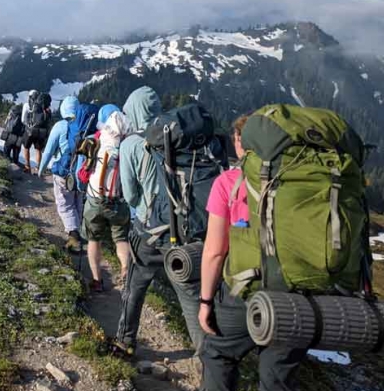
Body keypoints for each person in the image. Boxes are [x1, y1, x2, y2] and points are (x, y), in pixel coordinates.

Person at [198, 115, 306, 391]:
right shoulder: (300, 184)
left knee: (218, 355)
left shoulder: (228, 182)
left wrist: (206, 302)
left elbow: (214, 251)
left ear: (238, 142)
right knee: (277, 379)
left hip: (242, 294)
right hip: (295, 298)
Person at [114, 86, 205, 355]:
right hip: (185, 229)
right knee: (190, 297)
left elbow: (129, 196)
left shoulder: (131, 144)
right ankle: (208, 363)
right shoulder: (178, 139)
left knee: (135, 286)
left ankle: (125, 340)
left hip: (149, 230)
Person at [80, 104, 132, 292]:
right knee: (120, 239)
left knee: (94, 240)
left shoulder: (95, 140)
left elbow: (82, 175)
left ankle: (97, 280)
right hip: (118, 201)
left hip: (95, 199)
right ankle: (125, 270)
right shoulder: (128, 146)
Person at [38, 96, 83, 251]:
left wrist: (41, 168)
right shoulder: (85, 125)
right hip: (82, 173)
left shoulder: (60, 126)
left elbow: (49, 150)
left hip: (63, 172)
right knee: (78, 201)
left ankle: (74, 236)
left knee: (65, 203)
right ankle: (80, 229)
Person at [22, 90, 50, 173]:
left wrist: (28, 126)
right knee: (38, 149)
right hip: (41, 131)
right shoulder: (43, 106)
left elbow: (23, 119)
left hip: (30, 130)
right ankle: (38, 168)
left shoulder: (27, 105)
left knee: (26, 148)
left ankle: (27, 166)